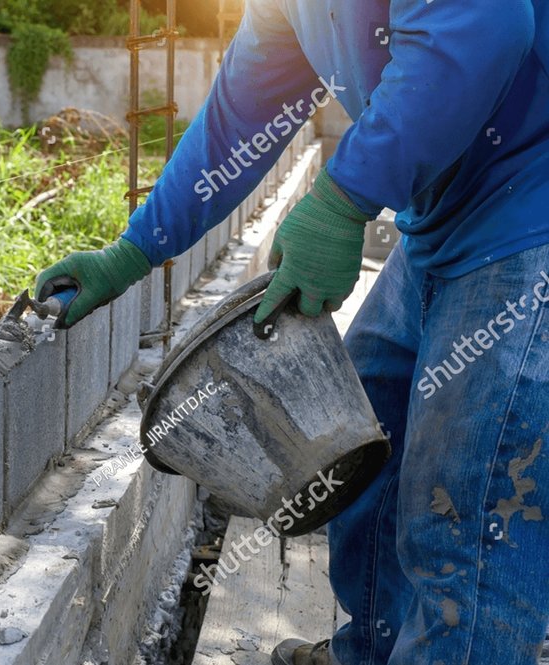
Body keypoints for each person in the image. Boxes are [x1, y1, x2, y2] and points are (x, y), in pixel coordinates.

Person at [35, 1, 549, 663]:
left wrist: (343, 199)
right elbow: (240, 121)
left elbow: (486, 29)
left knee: (466, 507)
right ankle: (371, 649)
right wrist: (132, 253)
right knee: (369, 442)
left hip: (529, 217)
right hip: (445, 225)